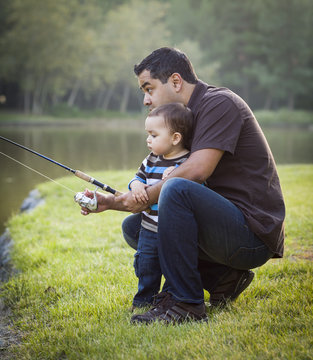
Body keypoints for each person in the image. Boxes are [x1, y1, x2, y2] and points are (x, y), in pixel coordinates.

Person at [80, 47, 285, 325]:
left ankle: (186, 303)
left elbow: (197, 171)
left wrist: (143, 197)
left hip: (251, 235)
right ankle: (223, 278)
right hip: (224, 229)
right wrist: (110, 202)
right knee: (136, 228)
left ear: (176, 82)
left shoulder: (219, 103)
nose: (145, 100)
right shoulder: (183, 118)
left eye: (149, 88)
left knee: (175, 188)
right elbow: (161, 185)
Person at [128, 102, 193, 309]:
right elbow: (137, 178)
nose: (148, 139)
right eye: (148, 134)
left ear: (175, 138)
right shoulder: (151, 160)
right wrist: (137, 186)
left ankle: (168, 298)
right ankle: (142, 300)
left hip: (173, 231)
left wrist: (175, 177)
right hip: (149, 226)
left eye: (154, 135)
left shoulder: (189, 162)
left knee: (172, 265)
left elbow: (196, 190)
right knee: (146, 264)